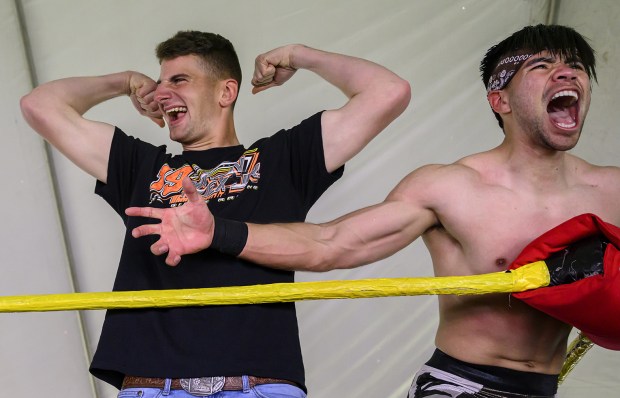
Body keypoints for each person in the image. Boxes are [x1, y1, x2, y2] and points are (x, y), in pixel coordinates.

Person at [125, 25, 620, 397]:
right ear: (500, 100)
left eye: (576, 66)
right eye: (541, 66)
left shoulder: (612, 190)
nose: (566, 72)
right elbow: (332, 244)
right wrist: (219, 232)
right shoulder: (449, 187)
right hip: (459, 386)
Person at [20, 31, 411, 397]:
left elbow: (388, 92)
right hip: (152, 387)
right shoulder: (139, 165)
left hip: (258, 386)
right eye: (160, 82)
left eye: (179, 80)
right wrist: (124, 82)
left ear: (226, 92)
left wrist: (299, 55)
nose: (162, 92)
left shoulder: (282, 159)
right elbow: (39, 106)